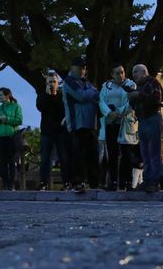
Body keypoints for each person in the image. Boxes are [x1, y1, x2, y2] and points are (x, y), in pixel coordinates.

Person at [61, 57, 99, 191]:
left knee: (92, 153)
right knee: (78, 154)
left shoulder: (86, 83)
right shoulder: (69, 82)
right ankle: (77, 182)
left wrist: (90, 94)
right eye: (80, 67)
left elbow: (94, 94)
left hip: (89, 123)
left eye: (84, 68)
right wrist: (92, 94)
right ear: (73, 68)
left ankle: (94, 182)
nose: (83, 70)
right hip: (77, 124)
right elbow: (81, 96)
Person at [99, 64, 138, 191]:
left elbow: (131, 103)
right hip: (111, 122)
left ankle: (126, 181)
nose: (120, 75)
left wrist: (119, 112)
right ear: (112, 74)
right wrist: (109, 113)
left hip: (124, 122)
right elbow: (101, 101)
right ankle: (113, 181)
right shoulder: (106, 86)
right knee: (112, 153)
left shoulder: (131, 85)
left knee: (127, 153)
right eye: (117, 73)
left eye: (122, 72)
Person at [130, 64, 163, 193]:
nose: (133, 75)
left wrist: (136, 95)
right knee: (145, 153)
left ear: (144, 72)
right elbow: (134, 104)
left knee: (153, 152)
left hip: (152, 119)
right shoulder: (139, 87)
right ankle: (147, 180)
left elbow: (155, 98)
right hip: (143, 121)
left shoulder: (153, 82)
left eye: (136, 72)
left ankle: (153, 182)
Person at [35, 71, 68, 190]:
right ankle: (44, 182)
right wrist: (48, 96)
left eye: (54, 81)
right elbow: (40, 107)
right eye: (50, 82)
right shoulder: (42, 95)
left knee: (63, 158)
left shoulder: (61, 95)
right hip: (46, 132)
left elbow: (63, 111)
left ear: (58, 82)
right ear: (46, 83)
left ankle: (66, 183)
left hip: (60, 131)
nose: (52, 84)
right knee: (45, 159)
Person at [0, 87, 23, 189]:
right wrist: (0, 120)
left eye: (0, 95)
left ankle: (12, 183)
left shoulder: (16, 106)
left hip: (12, 137)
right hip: (1, 137)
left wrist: (7, 119)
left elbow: (19, 120)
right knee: (3, 161)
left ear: (7, 95)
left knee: (11, 160)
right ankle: (5, 183)